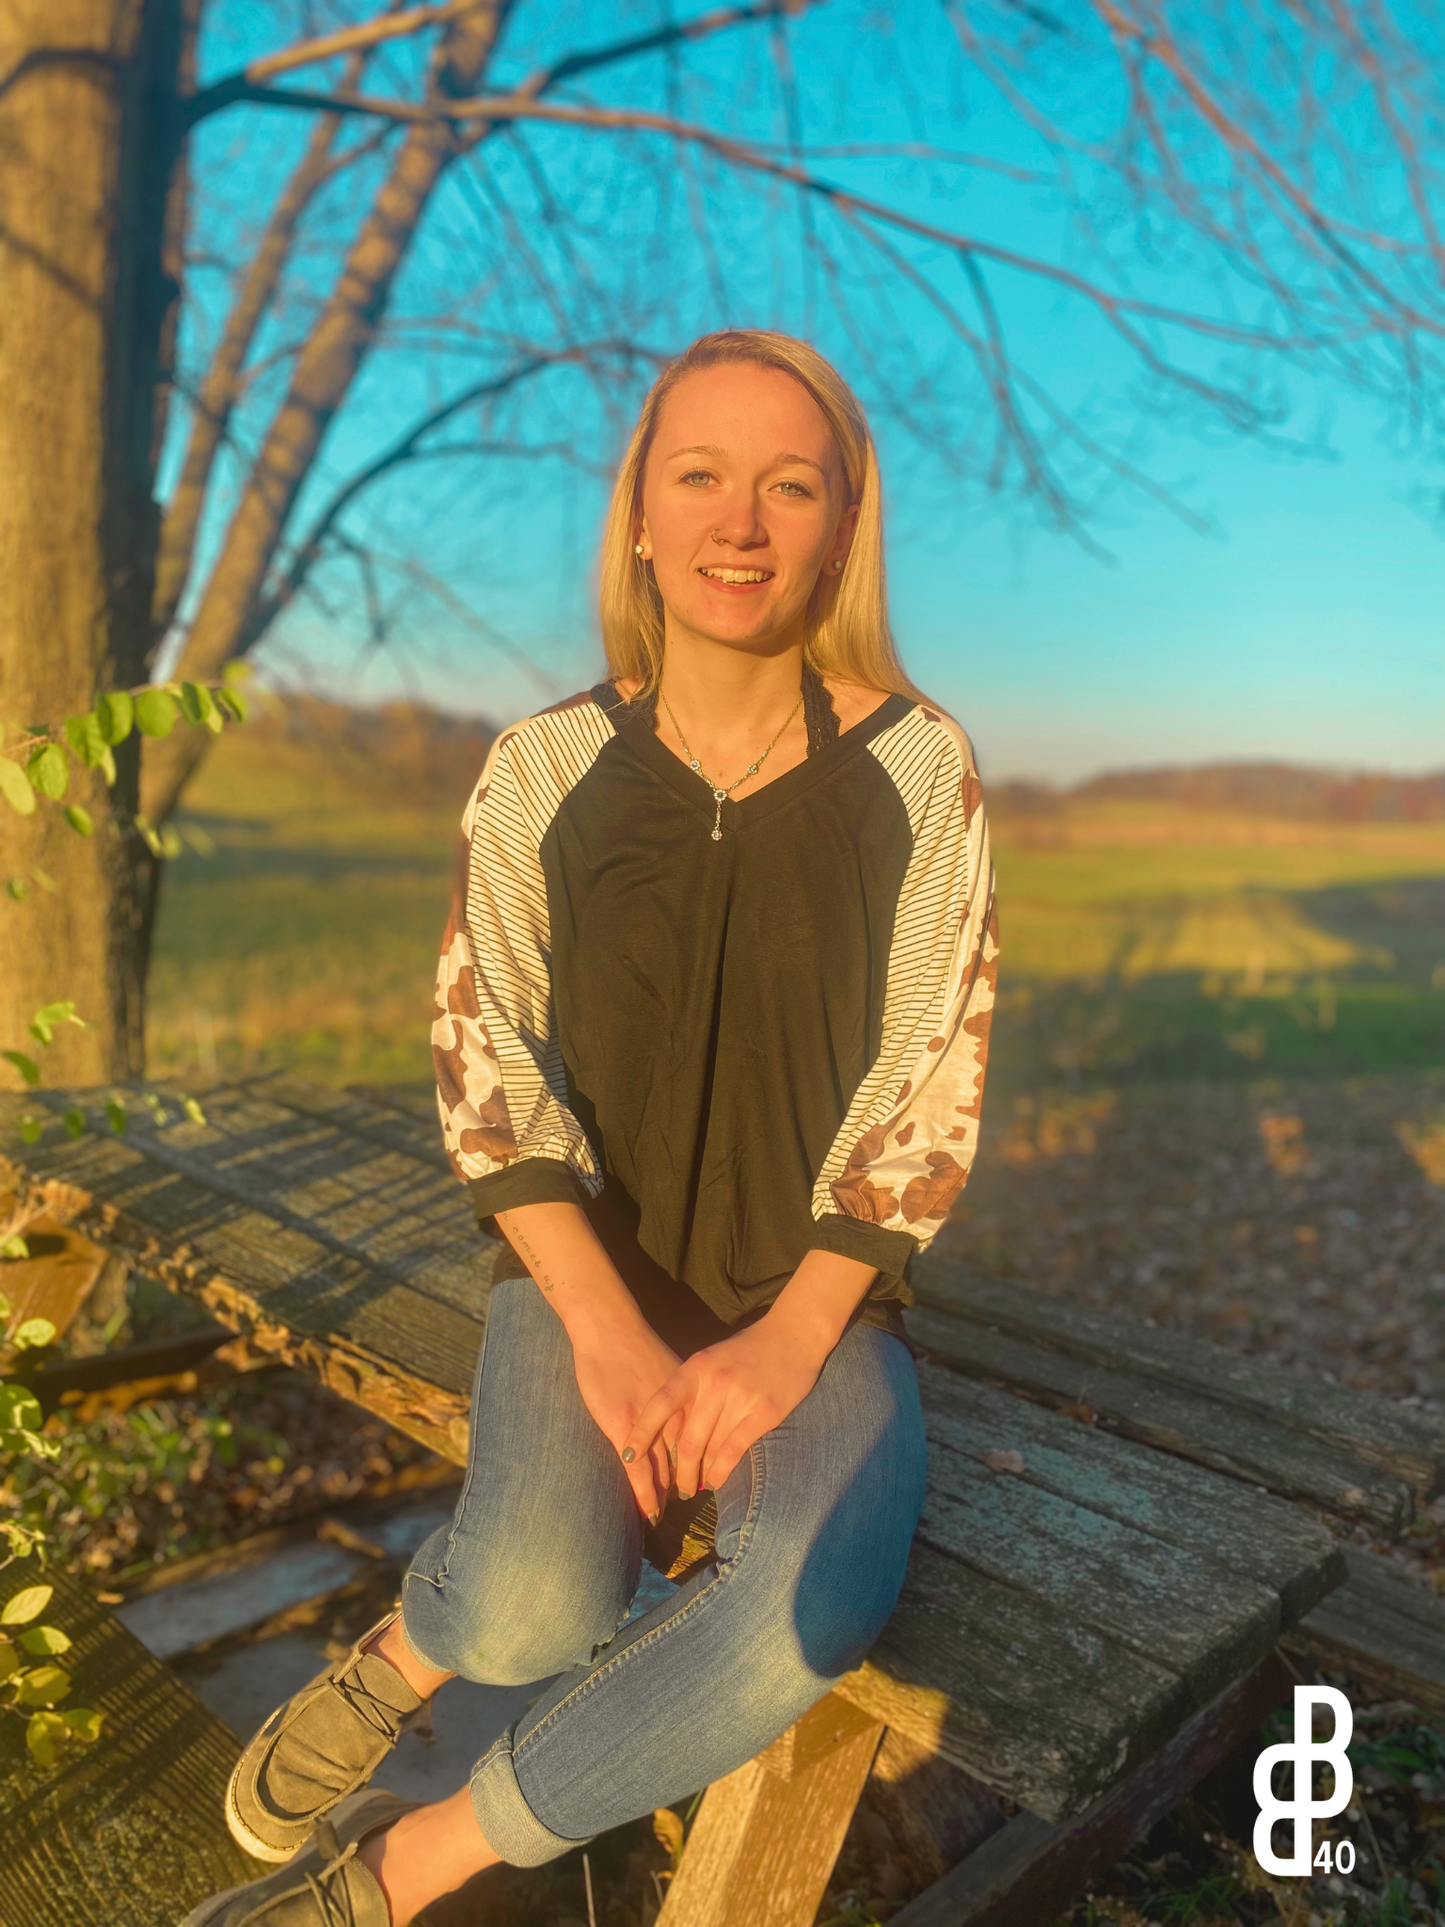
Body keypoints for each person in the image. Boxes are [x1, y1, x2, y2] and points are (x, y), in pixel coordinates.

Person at [184, 329, 998, 1927]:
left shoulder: (919, 766)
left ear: (840, 525)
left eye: (789, 484)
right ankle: (407, 1646)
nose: (741, 522)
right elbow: (488, 1060)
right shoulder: (543, 765)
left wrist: (779, 1349)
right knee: (536, 1597)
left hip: (817, 1305)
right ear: (641, 514)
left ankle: (400, 1871)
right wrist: (609, 1330)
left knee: (804, 1609)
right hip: (586, 1276)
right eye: (700, 476)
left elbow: (928, 1076)